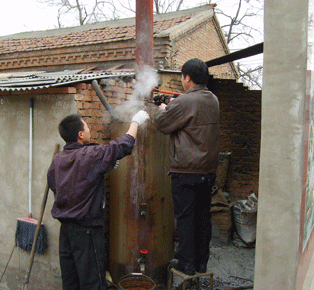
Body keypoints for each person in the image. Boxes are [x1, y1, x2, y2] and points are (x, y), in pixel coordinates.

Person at [48, 110, 149, 290]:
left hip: (66, 231)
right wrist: (135, 122)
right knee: (93, 282)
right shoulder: (89, 155)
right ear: (80, 134)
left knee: (70, 281)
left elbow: (55, 186)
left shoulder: (58, 159)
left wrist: (94, 175)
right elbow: (122, 145)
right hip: (87, 231)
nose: (88, 129)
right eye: (86, 126)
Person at [153, 58, 220, 276]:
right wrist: (173, 103)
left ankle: (186, 264)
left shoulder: (183, 103)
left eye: (182, 77)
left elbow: (163, 123)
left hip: (186, 171)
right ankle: (201, 262)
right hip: (207, 171)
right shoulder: (213, 100)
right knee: (202, 217)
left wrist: (163, 107)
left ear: (187, 77)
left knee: (185, 219)